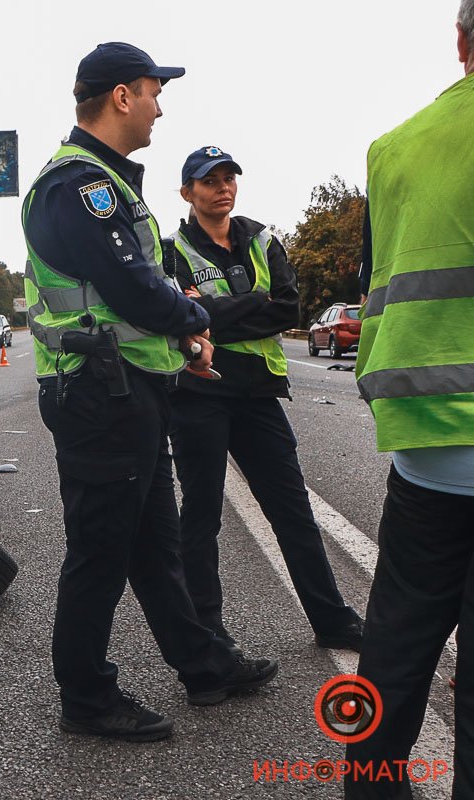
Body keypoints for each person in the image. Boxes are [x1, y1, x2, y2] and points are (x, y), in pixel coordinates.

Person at [21, 41, 279, 743]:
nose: (161, 105)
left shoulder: (107, 181)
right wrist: (195, 321)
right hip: (97, 394)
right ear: (122, 96)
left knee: (153, 542)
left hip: (126, 388)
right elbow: (134, 287)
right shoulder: (80, 184)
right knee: (101, 550)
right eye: (153, 90)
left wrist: (180, 338)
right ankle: (86, 697)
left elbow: (138, 291)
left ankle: (204, 664)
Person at [346, 2, 474, 795]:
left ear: (461, 40)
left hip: (425, 439)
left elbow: (373, 282)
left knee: (393, 651)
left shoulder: (392, 148)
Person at [164, 147, 364, 658]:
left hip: (258, 394)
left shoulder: (261, 239)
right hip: (199, 394)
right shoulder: (170, 252)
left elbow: (288, 309)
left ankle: (332, 619)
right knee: (202, 517)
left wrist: (209, 310)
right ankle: (209, 637)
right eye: (209, 181)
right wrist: (250, 304)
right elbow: (177, 317)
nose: (223, 187)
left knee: (293, 510)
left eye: (229, 178)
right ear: (188, 192)